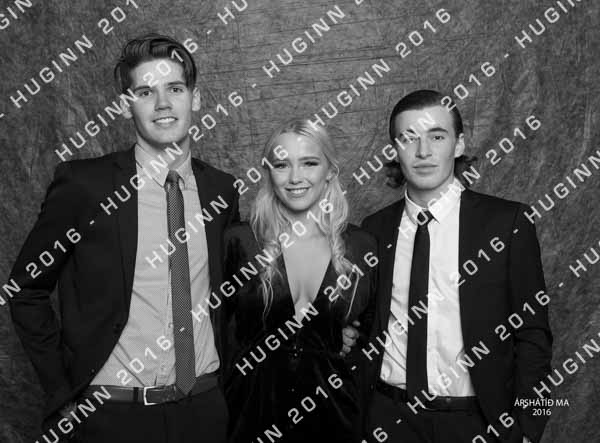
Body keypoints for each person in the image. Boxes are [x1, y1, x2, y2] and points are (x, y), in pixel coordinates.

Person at [8, 34, 240, 443]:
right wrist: (63, 392)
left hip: (203, 410)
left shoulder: (221, 190)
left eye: (175, 89)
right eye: (146, 92)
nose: (163, 104)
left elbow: (235, 296)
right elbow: (26, 290)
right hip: (111, 416)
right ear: (125, 105)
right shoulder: (85, 186)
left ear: (196, 98)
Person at [360, 90, 552, 443]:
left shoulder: (507, 224)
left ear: (459, 144)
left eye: (436, 136)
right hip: (388, 418)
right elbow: (364, 328)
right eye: (408, 138)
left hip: (477, 422)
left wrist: (530, 428)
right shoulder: (374, 230)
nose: (423, 151)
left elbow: (533, 335)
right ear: (394, 150)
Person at [222, 119, 377, 443]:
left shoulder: (362, 246)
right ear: (269, 172)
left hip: (335, 418)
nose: (295, 177)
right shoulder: (239, 242)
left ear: (330, 171)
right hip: (251, 417)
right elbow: (217, 331)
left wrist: (339, 334)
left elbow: (371, 336)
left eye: (309, 163)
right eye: (282, 165)